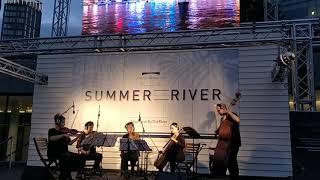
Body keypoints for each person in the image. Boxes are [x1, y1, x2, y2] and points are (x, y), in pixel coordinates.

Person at [47, 113, 85, 180]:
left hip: (64, 152)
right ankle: (64, 176)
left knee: (80, 156)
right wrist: (62, 135)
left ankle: (75, 174)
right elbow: (51, 138)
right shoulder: (52, 130)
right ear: (58, 122)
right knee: (67, 156)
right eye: (63, 122)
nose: (64, 124)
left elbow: (70, 143)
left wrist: (78, 137)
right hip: (54, 152)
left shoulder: (64, 132)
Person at [215, 103, 241, 179]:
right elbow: (223, 129)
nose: (218, 112)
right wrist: (217, 131)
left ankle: (235, 177)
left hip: (234, 142)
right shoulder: (222, 119)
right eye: (217, 111)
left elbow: (238, 120)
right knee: (228, 162)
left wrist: (228, 112)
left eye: (219, 110)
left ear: (223, 108)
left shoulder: (231, 115)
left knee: (232, 161)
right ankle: (231, 176)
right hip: (225, 144)